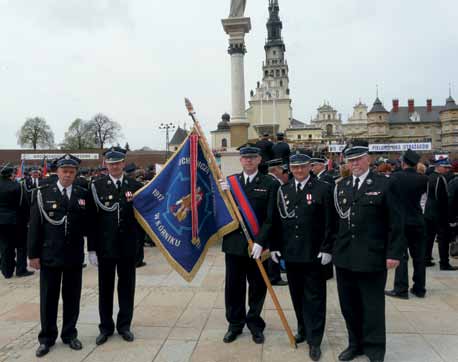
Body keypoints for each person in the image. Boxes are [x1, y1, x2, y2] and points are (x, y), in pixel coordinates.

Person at [333, 140, 404, 362]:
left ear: (368, 159)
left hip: (372, 255)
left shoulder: (385, 184)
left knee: (372, 305)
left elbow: (397, 222)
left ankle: (374, 348)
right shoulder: (342, 186)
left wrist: (394, 253)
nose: (354, 164)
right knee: (349, 305)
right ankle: (355, 344)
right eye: (350, 160)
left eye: (358, 159)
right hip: (345, 256)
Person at [28, 154, 91, 357]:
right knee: (48, 298)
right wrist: (33, 255)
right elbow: (35, 226)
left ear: (75, 173)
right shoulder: (43, 193)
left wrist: (93, 250)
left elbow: (89, 225)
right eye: (64, 171)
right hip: (49, 255)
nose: (68, 175)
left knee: (72, 297)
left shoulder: (82, 193)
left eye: (72, 172)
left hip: (73, 256)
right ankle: (46, 338)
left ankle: (70, 334)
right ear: (57, 172)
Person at [273, 153, 335, 361]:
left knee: (315, 298)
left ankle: (315, 340)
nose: (298, 171)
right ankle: (302, 329)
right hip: (291, 254)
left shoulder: (323, 188)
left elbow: (330, 222)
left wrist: (327, 249)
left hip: (314, 254)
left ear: (310, 167)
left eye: (302, 167)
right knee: (297, 295)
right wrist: (274, 246)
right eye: (294, 167)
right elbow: (277, 221)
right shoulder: (284, 190)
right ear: (290, 168)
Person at [219, 146, 278, 345]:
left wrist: (261, 242)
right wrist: (222, 195)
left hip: (258, 246)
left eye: (253, 157)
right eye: (245, 158)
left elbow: (271, 218)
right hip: (234, 245)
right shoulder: (230, 183)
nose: (249, 161)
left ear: (259, 159)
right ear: (241, 160)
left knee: (257, 287)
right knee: (233, 287)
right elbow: (221, 214)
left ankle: (254, 324)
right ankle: (234, 324)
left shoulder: (270, 183)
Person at [87, 147, 143, 345]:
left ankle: (124, 325)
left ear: (123, 163)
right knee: (106, 288)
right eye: (111, 164)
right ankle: (106, 327)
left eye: (118, 163)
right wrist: (91, 248)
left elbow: (142, 218)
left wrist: (139, 245)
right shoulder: (96, 186)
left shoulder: (135, 185)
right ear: (106, 165)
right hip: (105, 247)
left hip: (128, 246)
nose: (115, 166)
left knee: (127, 287)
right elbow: (91, 220)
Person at [385, 149, 428, 299]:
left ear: (403, 163)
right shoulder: (423, 179)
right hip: (417, 220)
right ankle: (419, 288)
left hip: (400, 221)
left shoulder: (395, 177)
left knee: (401, 256)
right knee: (419, 256)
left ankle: (401, 288)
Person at [0, 163, 33, 279]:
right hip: (16, 221)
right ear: (11, 175)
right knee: (21, 246)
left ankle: (6, 271)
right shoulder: (17, 186)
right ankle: (21, 269)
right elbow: (23, 204)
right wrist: (27, 219)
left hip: (2, 222)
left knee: (5, 246)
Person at [424, 157, 457, 270]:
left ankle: (426, 259)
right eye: (445, 167)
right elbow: (442, 198)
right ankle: (444, 263)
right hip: (438, 212)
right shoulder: (440, 178)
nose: (447, 169)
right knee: (443, 238)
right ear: (439, 167)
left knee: (429, 237)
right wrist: (447, 214)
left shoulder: (429, 177)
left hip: (429, 211)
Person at [265, 158, 288, 286]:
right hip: (274, 222)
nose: (283, 172)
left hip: (267, 223)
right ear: (275, 170)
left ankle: (272, 274)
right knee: (274, 248)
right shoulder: (275, 183)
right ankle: (274, 276)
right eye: (281, 169)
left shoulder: (265, 180)